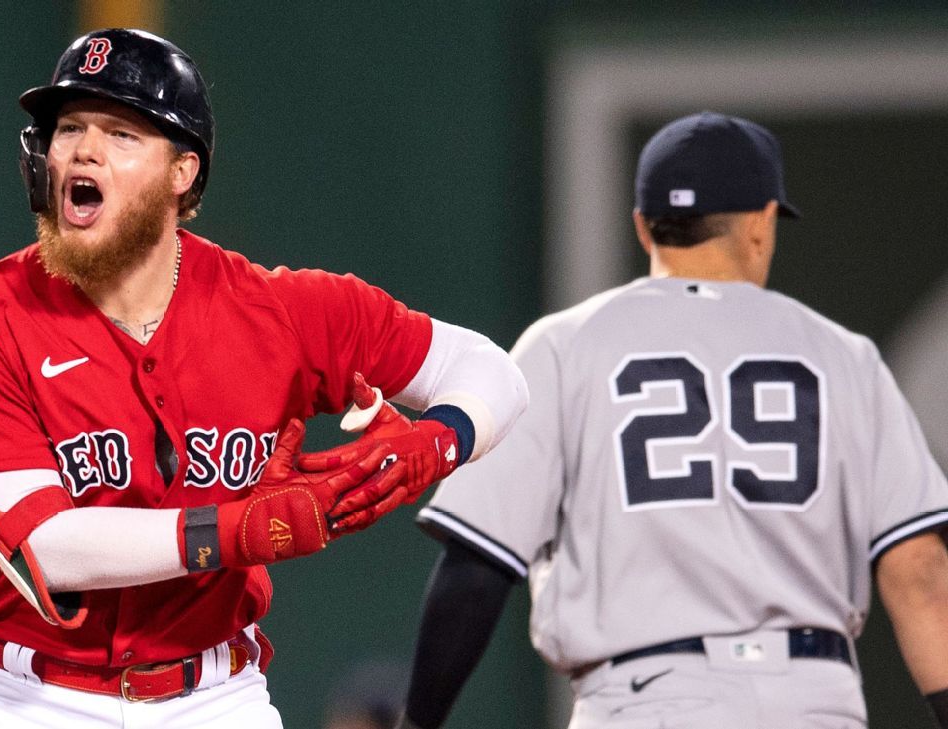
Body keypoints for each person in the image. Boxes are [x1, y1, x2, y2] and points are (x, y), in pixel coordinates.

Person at [0, 28, 528, 729]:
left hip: (213, 695)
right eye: (69, 127)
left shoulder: (279, 311)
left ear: (181, 173)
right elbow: (45, 548)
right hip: (23, 696)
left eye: (121, 133)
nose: (82, 148)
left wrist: (439, 441)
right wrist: (235, 530)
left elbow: (494, 373)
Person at [395, 111, 948, 729]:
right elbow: (919, 572)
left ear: (643, 227)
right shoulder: (845, 357)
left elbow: (477, 564)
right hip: (813, 699)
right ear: (762, 223)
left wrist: (418, 723)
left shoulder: (564, 346)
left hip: (648, 698)